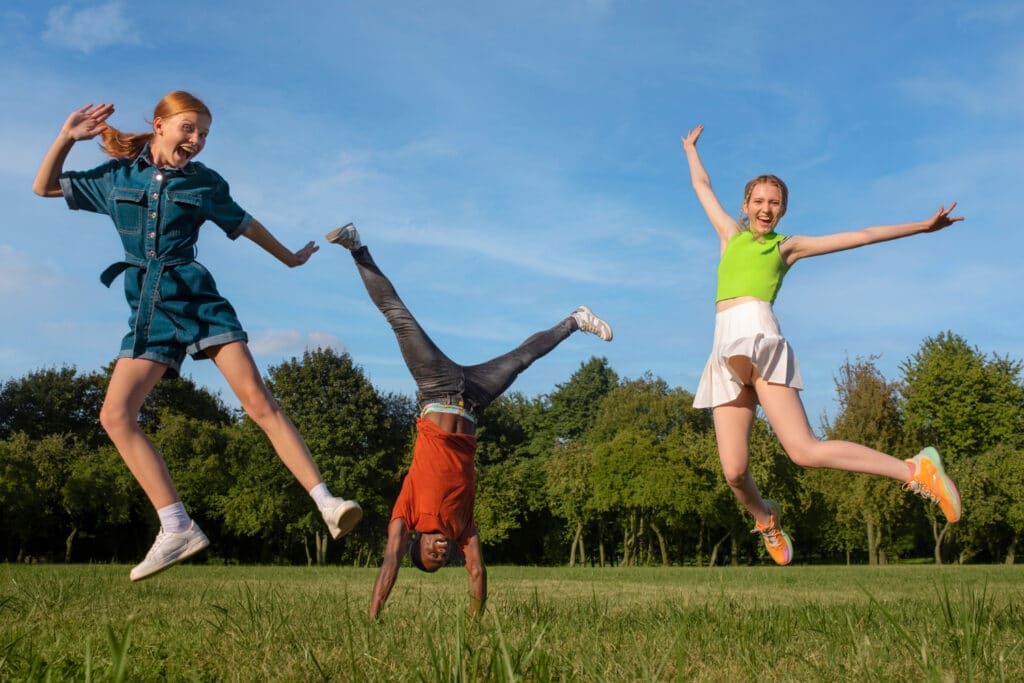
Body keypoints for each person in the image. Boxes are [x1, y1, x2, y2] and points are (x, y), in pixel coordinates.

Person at [32, 93, 362, 581]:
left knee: (258, 401)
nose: (197, 140)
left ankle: (326, 502)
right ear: (159, 125)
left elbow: (244, 223)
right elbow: (44, 187)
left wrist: (290, 258)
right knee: (115, 415)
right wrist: (66, 137)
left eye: (204, 133)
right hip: (149, 309)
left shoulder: (205, 182)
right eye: (188, 128)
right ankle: (176, 526)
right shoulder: (117, 178)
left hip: (197, 298)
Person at [681, 123, 963, 565]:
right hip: (724, 353)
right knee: (734, 472)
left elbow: (861, 235)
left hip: (761, 345)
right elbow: (702, 185)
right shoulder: (729, 235)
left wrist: (921, 228)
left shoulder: (786, 247)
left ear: (783, 211)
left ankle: (915, 469)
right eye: (759, 201)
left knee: (804, 451)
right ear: (745, 206)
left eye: (775, 203)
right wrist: (690, 149)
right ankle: (766, 519)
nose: (766, 208)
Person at [324, 224, 612, 618]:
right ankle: (577, 320)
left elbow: (390, 563)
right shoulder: (463, 528)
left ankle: (356, 248)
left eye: (432, 555)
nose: (441, 553)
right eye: (443, 559)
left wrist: (372, 616)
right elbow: (476, 572)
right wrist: (475, 626)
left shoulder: (406, 515)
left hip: (435, 387)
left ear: (416, 544)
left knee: (399, 317)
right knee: (522, 358)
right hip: (474, 399)